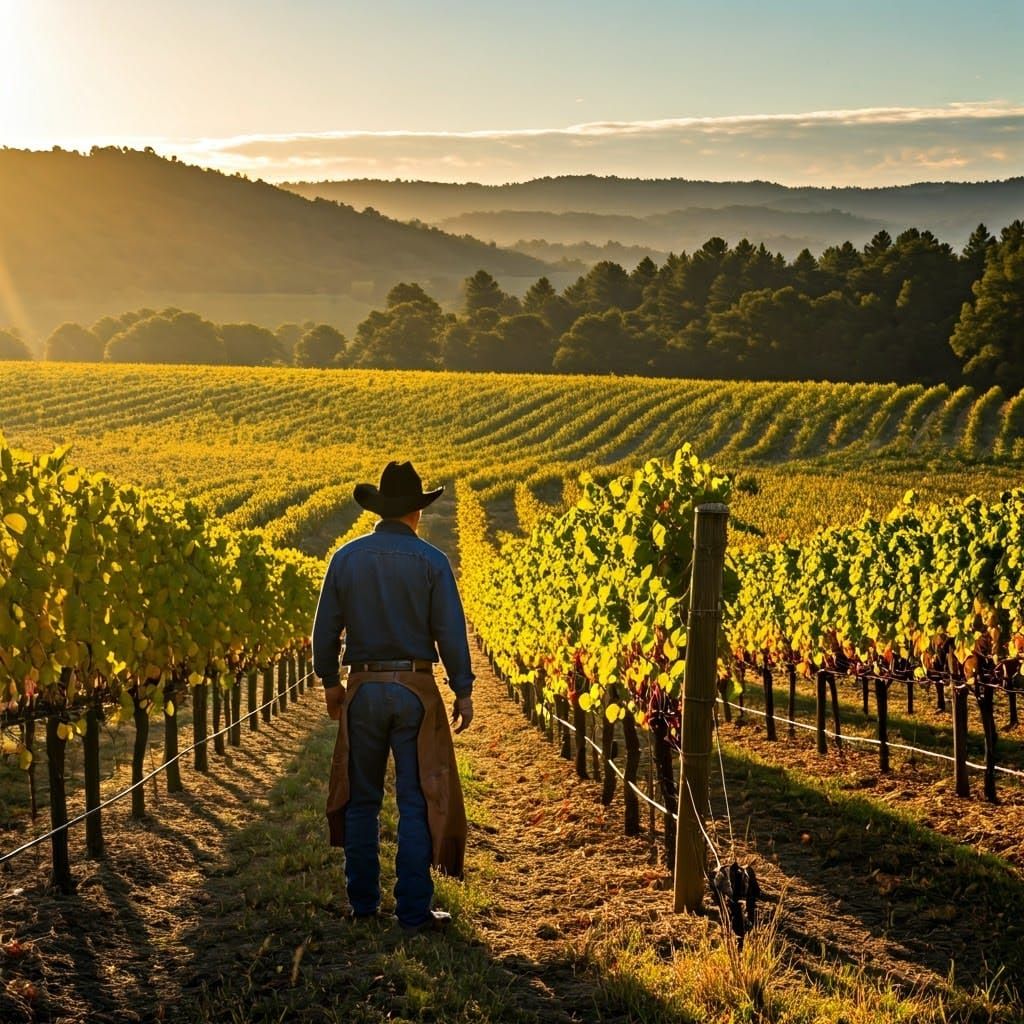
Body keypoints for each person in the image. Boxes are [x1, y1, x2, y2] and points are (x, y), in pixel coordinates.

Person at [311, 460, 475, 935]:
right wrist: (462, 691)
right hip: (415, 694)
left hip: (361, 691)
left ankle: (362, 905)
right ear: (417, 512)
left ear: (380, 510)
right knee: (416, 800)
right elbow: (450, 633)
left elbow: (324, 630)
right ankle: (412, 911)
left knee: (361, 800)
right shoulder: (433, 562)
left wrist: (330, 682)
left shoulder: (345, 557)